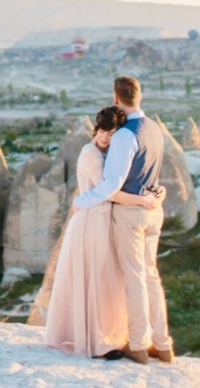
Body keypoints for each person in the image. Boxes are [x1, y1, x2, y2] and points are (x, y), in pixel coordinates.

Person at [44, 106, 161, 357]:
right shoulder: (91, 154)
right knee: (95, 280)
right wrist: (144, 201)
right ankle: (96, 344)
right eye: (102, 132)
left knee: (107, 282)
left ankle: (107, 336)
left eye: (111, 133)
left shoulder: (108, 154)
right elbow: (108, 191)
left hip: (104, 220)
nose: (105, 138)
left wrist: (155, 191)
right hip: (91, 221)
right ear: (95, 130)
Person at [72, 76, 174, 364]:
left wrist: (81, 201)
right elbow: (151, 172)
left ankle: (139, 344)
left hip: (132, 213)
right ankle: (163, 344)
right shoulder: (155, 129)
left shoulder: (125, 135)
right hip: (154, 209)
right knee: (151, 275)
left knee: (135, 276)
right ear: (140, 96)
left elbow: (111, 185)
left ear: (116, 98)